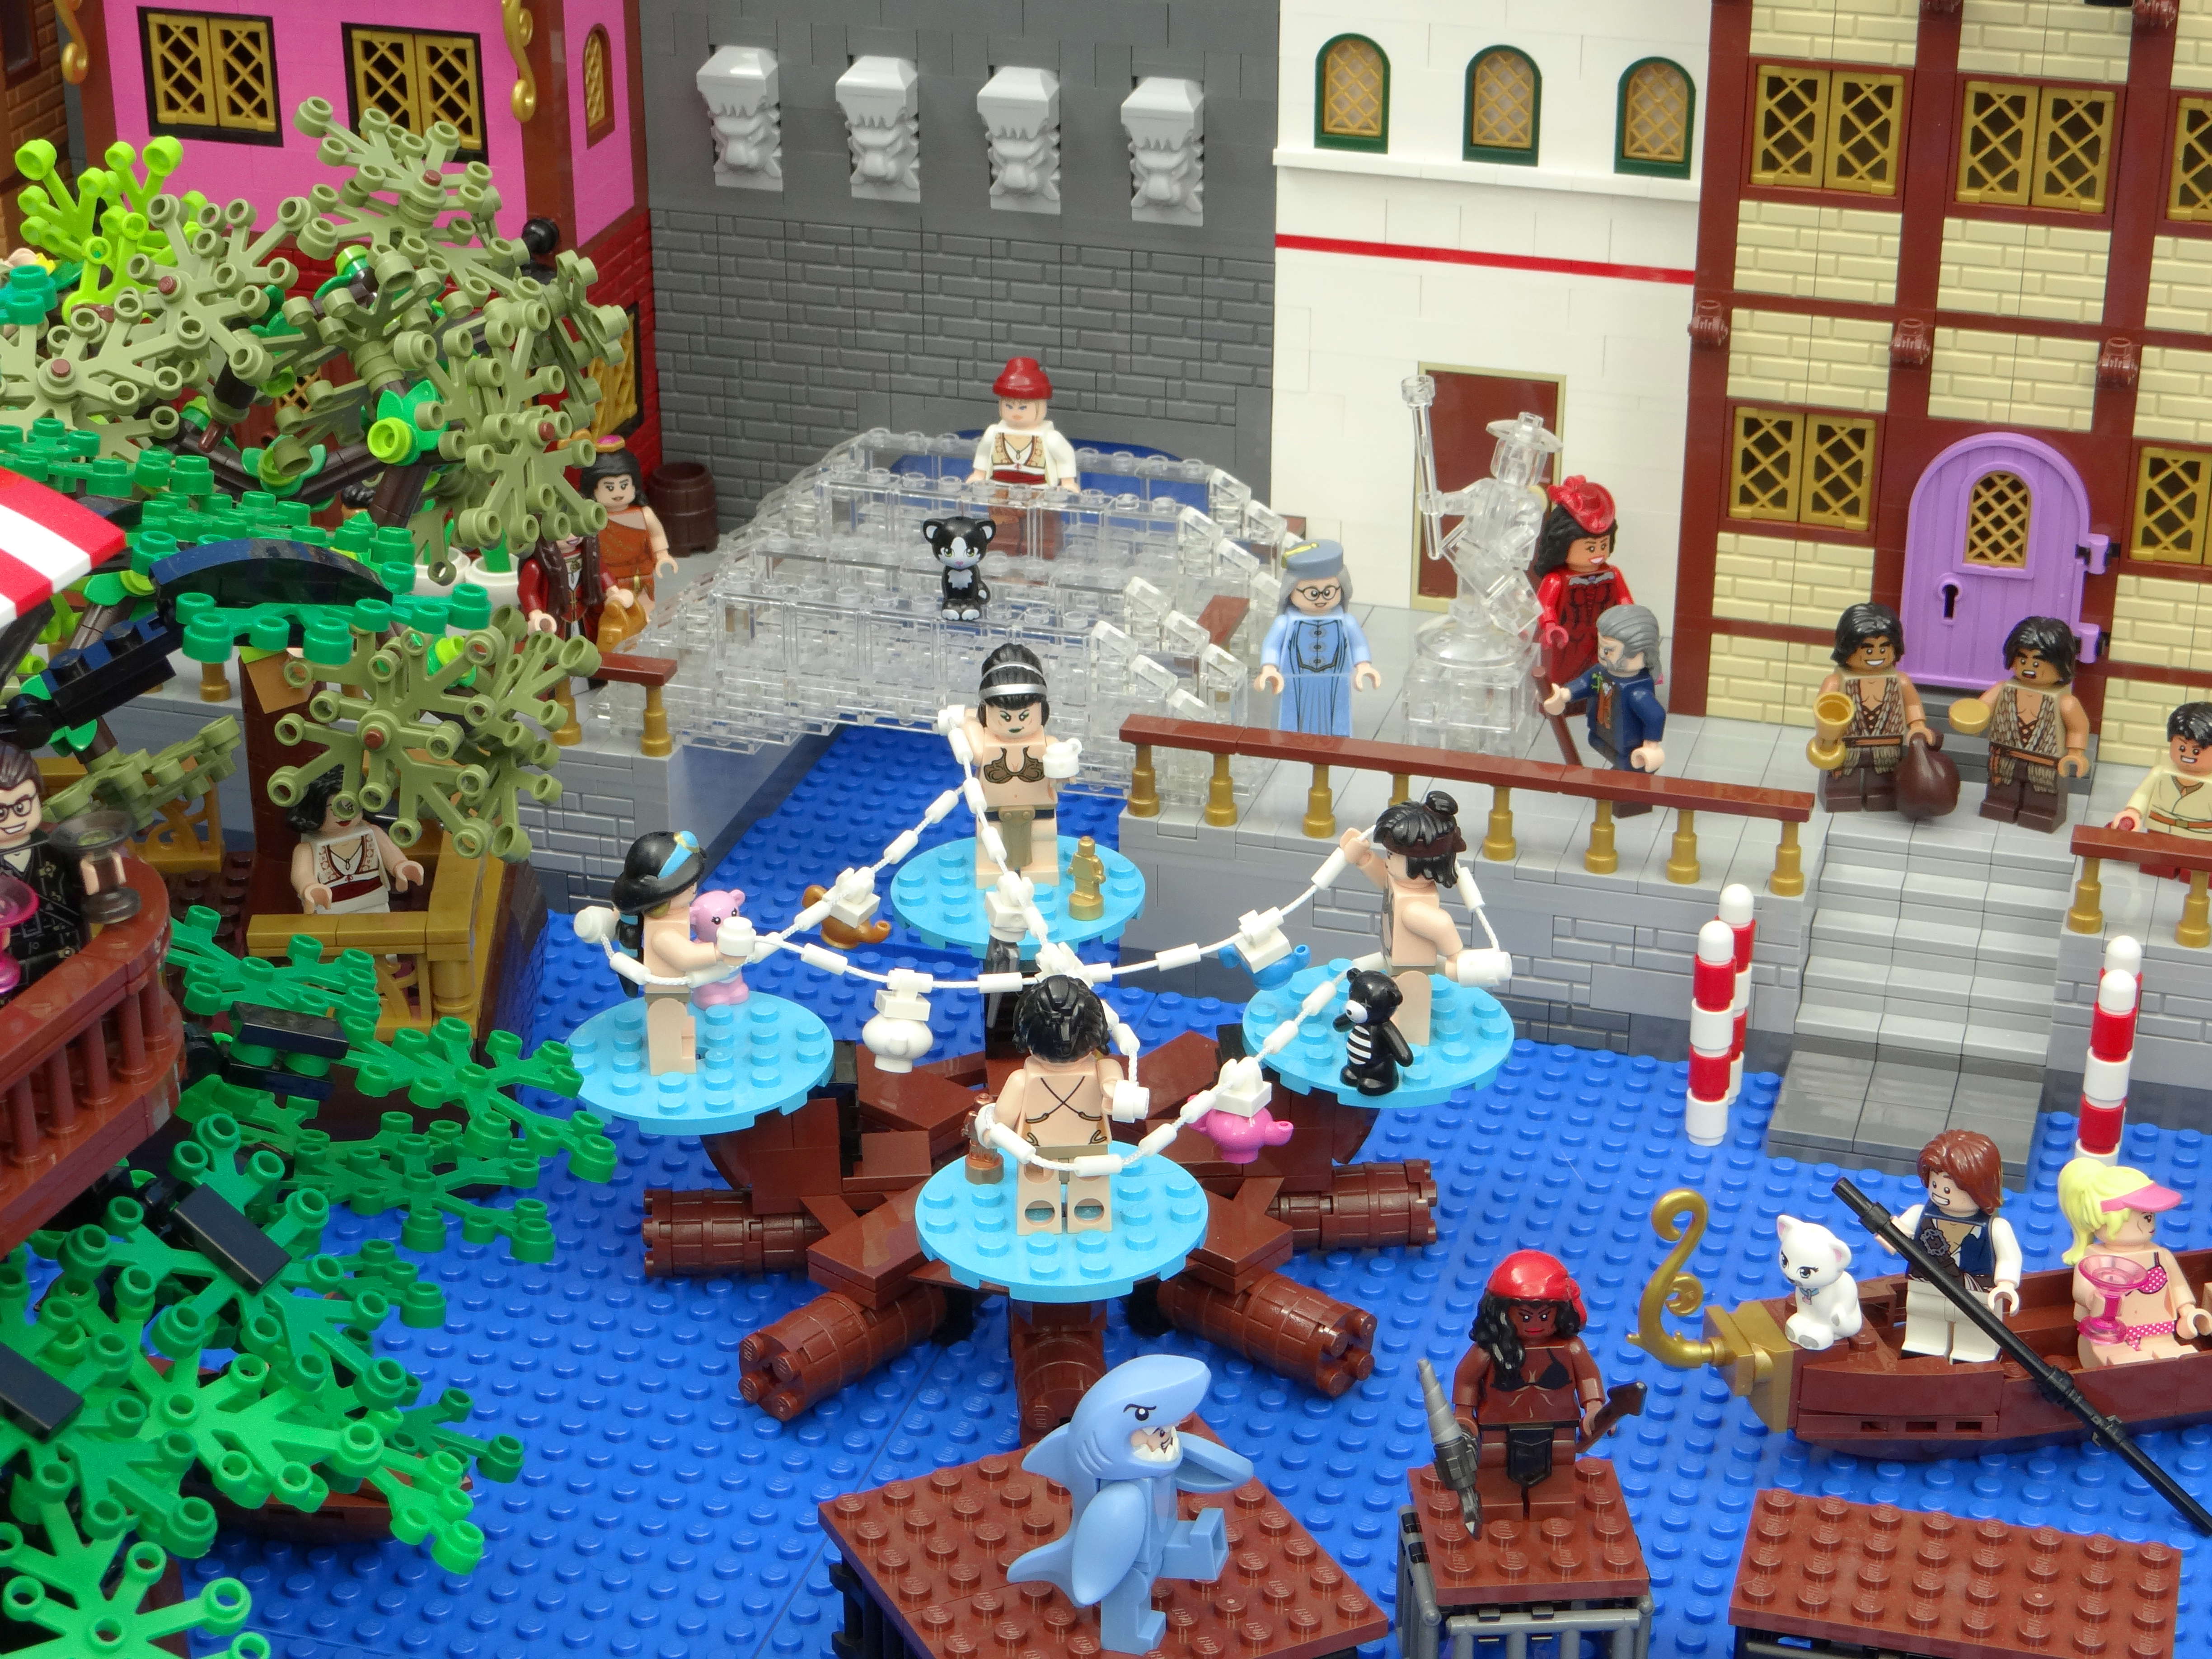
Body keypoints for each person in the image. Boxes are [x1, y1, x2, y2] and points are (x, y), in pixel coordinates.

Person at [1451, 1250, 1606, 1522]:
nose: (1535, 1324)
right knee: (1495, 1463)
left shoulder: (1571, 1348)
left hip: (1558, 1424)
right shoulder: (1490, 1351)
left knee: (1560, 1462)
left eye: (1544, 1317)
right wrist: (1464, 1414)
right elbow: (1467, 1379)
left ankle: (1552, 1506)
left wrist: (1593, 1408)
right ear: (1502, 1313)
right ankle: (1500, 1506)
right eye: (1525, 1317)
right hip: (1499, 1424)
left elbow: (1588, 1379)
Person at [1877, 1129, 2020, 1364]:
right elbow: (1894, 1240)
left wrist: (2006, 1284)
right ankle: (1924, 1351)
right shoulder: (1919, 1213)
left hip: (1977, 1292)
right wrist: (1886, 1231)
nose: (1939, 1194)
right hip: (1927, 1285)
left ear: (1980, 1189)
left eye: (1947, 1189)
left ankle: (1974, 1356)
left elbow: (2008, 1258)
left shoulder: (1995, 1227)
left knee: (1976, 1328)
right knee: (1924, 1318)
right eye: (1934, 1184)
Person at [1339, 791, 1470, 1047]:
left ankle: (1407, 1043)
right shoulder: (1401, 885)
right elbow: (1385, 881)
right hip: (1392, 960)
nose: (1387, 860)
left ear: (1423, 864)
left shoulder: (1415, 908)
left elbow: (1441, 925)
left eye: (1391, 855)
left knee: (1408, 1008)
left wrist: (1456, 958)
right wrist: (1364, 858)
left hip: (1411, 972)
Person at [2058, 1157, 2212, 1368]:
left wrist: (2188, 1311)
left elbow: (2177, 1286)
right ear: (2110, 1219)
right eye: (2146, 1217)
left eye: (2151, 1217)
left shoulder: (2160, 1255)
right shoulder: (2093, 1259)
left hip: (2159, 1333)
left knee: (2179, 1365)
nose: (2151, 1223)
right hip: (2107, 1339)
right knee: (2128, 1369)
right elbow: (2081, 1292)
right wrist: (2096, 1298)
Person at [998, 974, 1122, 1235]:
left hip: (1042, 1149)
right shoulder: (1103, 1070)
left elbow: (1002, 1118)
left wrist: (991, 1131)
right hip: (1078, 1146)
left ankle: (1042, 1225)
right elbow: (1115, 1086)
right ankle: (1089, 1224)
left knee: (1042, 1195)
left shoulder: (1021, 1079)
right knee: (1086, 1193)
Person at [607, 830, 738, 1074]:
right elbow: (686, 957)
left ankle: (681, 1051)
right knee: (668, 1029)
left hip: (677, 989)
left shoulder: (676, 915)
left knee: (680, 1023)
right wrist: (720, 952)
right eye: (685, 884)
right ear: (660, 893)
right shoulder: (663, 933)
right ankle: (672, 1067)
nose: (694, 887)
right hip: (664, 994)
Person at [1949, 616, 2088, 833]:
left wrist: (2076, 753)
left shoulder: (2065, 702)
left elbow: (2078, 727)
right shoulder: (2002, 689)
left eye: (2037, 663)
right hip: (2004, 753)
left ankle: (2041, 813)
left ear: (2061, 664)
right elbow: (1981, 708)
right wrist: (1973, 722)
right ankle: (2000, 806)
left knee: (2042, 791)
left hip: (2045, 760)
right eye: (2023, 661)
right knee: (2002, 785)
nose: (2029, 669)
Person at [963, 643, 1075, 887]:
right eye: (1005, 717)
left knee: (1043, 843)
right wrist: (971, 722)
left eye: (1024, 716)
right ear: (986, 712)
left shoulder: (1047, 744)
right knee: (990, 846)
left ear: (1042, 711)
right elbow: (975, 749)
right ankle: (993, 877)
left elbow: (1061, 763)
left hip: (1040, 809)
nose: (1015, 724)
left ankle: (1042, 875)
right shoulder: (984, 744)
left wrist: (1063, 770)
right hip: (993, 811)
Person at [1542, 603, 1664, 814]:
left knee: (1630, 768)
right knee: (1603, 748)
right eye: (1601, 647)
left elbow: (1656, 715)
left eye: (1609, 650)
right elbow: (1584, 683)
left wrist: (1651, 747)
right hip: (1604, 734)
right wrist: (1564, 695)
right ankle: (1622, 785)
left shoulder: (1637, 691)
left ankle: (1631, 797)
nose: (1602, 654)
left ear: (1640, 654)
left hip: (1629, 748)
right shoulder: (1601, 672)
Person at [1254, 539, 1380, 737]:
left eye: (1328, 592)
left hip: (1335, 681)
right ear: (1291, 590)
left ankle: (1336, 744)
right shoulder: (1284, 623)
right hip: (1294, 681)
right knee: (1290, 721)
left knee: (1337, 721)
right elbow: (1271, 647)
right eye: (1313, 593)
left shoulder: (1346, 621)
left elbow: (1358, 645)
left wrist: (1364, 666)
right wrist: (1269, 669)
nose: (1321, 598)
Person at [1814, 602, 1931, 813]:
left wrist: (1917, 725)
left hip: (1887, 745)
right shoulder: (1836, 682)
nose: (1876, 655)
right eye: (1868, 649)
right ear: (1847, 648)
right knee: (1843, 780)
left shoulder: (1901, 681)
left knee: (1883, 780)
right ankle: (1841, 796)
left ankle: (1881, 797)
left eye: (1884, 648)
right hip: (1847, 744)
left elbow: (1912, 704)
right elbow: (1824, 709)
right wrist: (1826, 736)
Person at [967, 356, 1078, 558]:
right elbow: (983, 453)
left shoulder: (1050, 438)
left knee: (1042, 531)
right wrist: (979, 474)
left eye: (1023, 407)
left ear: (1041, 406)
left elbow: (1065, 457)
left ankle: (1042, 555)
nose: (1015, 413)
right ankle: (1002, 554)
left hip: (1040, 494)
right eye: (1009, 406)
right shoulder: (995, 433)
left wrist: (1068, 482)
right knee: (1002, 531)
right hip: (1001, 491)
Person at [1528, 477, 1630, 688]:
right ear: (1563, 546)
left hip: (1602, 639)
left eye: (1604, 545)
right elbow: (1544, 606)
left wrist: (1629, 620)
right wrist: (1550, 626)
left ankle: (1595, 700)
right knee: (1562, 678)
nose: (1598, 553)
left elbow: (1624, 600)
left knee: (1600, 676)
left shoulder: (1613, 574)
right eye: (1590, 547)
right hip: (1565, 642)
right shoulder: (1556, 580)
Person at [578, 438, 675, 654]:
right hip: (607, 580)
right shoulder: (593, 521)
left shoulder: (644, 514)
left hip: (640, 576)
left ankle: (644, 644)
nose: (618, 493)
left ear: (634, 486)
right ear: (593, 489)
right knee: (611, 616)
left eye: (624, 485)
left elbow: (657, 534)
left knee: (644, 614)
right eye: (609, 487)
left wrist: (663, 556)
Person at [0, 742, 86, 984]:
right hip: (9, 961)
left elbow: (86, 885)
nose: (13, 819)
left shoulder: (58, 845)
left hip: (66, 945)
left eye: (21, 806)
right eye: (1, 812)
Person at [286, 772, 425, 917]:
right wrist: (309, 888)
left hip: (375, 902)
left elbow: (392, 855)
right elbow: (301, 874)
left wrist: (401, 866)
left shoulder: (373, 833)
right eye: (334, 809)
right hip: (330, 909)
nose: (345, 814)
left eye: (351, 805)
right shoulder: (307, 849)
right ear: (314, 811)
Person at [2109, 702, 2212, 876]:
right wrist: (2133, 812)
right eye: (2182, 747)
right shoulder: (2161, 773)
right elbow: (2143, 794)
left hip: (2201, 835)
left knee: (2197, 872)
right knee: (2159, 864)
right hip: (2161, 831)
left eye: (2197, 751)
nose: (2188, 755)